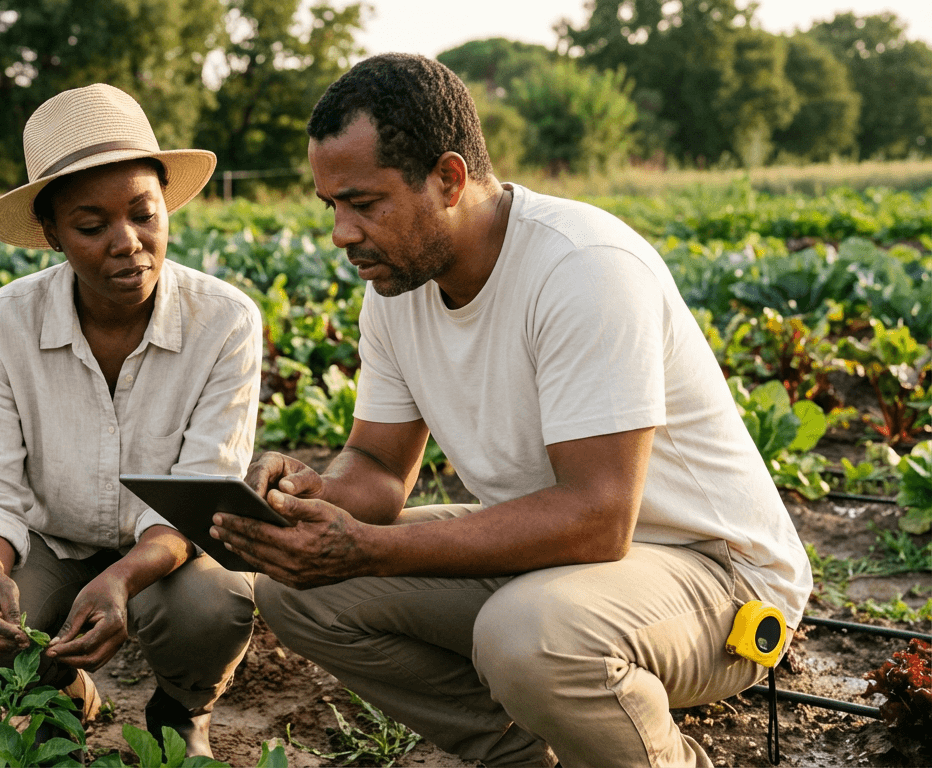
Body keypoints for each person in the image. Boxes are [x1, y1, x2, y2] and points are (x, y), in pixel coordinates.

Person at [210, 54, 813, 768]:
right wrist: (320, 496)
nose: (342, 232)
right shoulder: (397, 290)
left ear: (450, 178)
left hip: (714, 575)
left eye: (365, 203)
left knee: (525, 636)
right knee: (301, 593)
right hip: (552, 563)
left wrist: (369, 546)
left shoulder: (581, 267)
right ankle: (524, 757)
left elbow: (599, 516)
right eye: (331, 206)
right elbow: (377, 466)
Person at [0, 83, 261, 758]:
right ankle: (62, 693)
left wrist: (122, 578)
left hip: (168, 550)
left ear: (167, 206)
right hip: (50, 543)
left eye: (144, 214)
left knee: (213, 605)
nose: (128, 243)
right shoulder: (3, 323)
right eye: (92, 225)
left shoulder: (224, 321)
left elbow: (200, 494)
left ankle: (183, 708)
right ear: (51, 234)